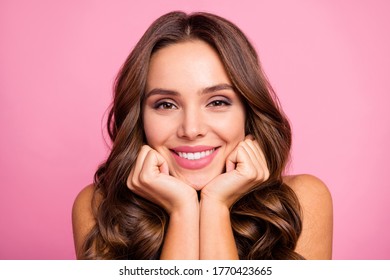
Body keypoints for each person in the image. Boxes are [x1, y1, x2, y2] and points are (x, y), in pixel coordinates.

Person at [72, 11, 333, 260]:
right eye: (166, 104)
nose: (191, 129)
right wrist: (182, 211)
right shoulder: (98, 209)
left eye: (217, 102)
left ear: (248, 111)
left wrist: (216, 206)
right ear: (140, 117)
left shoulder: (301, 201)